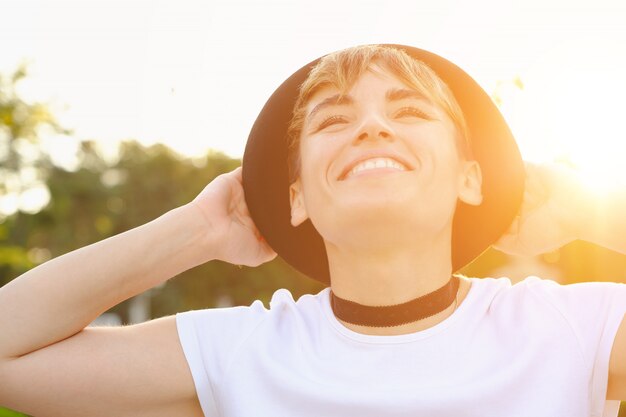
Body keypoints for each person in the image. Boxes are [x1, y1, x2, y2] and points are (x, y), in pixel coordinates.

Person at [0, 44, 624, 417]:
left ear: (471, 179)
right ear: (295, 198)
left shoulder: (571, 328)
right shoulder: (239, 352)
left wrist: (585, 212)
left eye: (408, 110)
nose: (372, 128)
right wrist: (196, 231)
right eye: (333, 119)